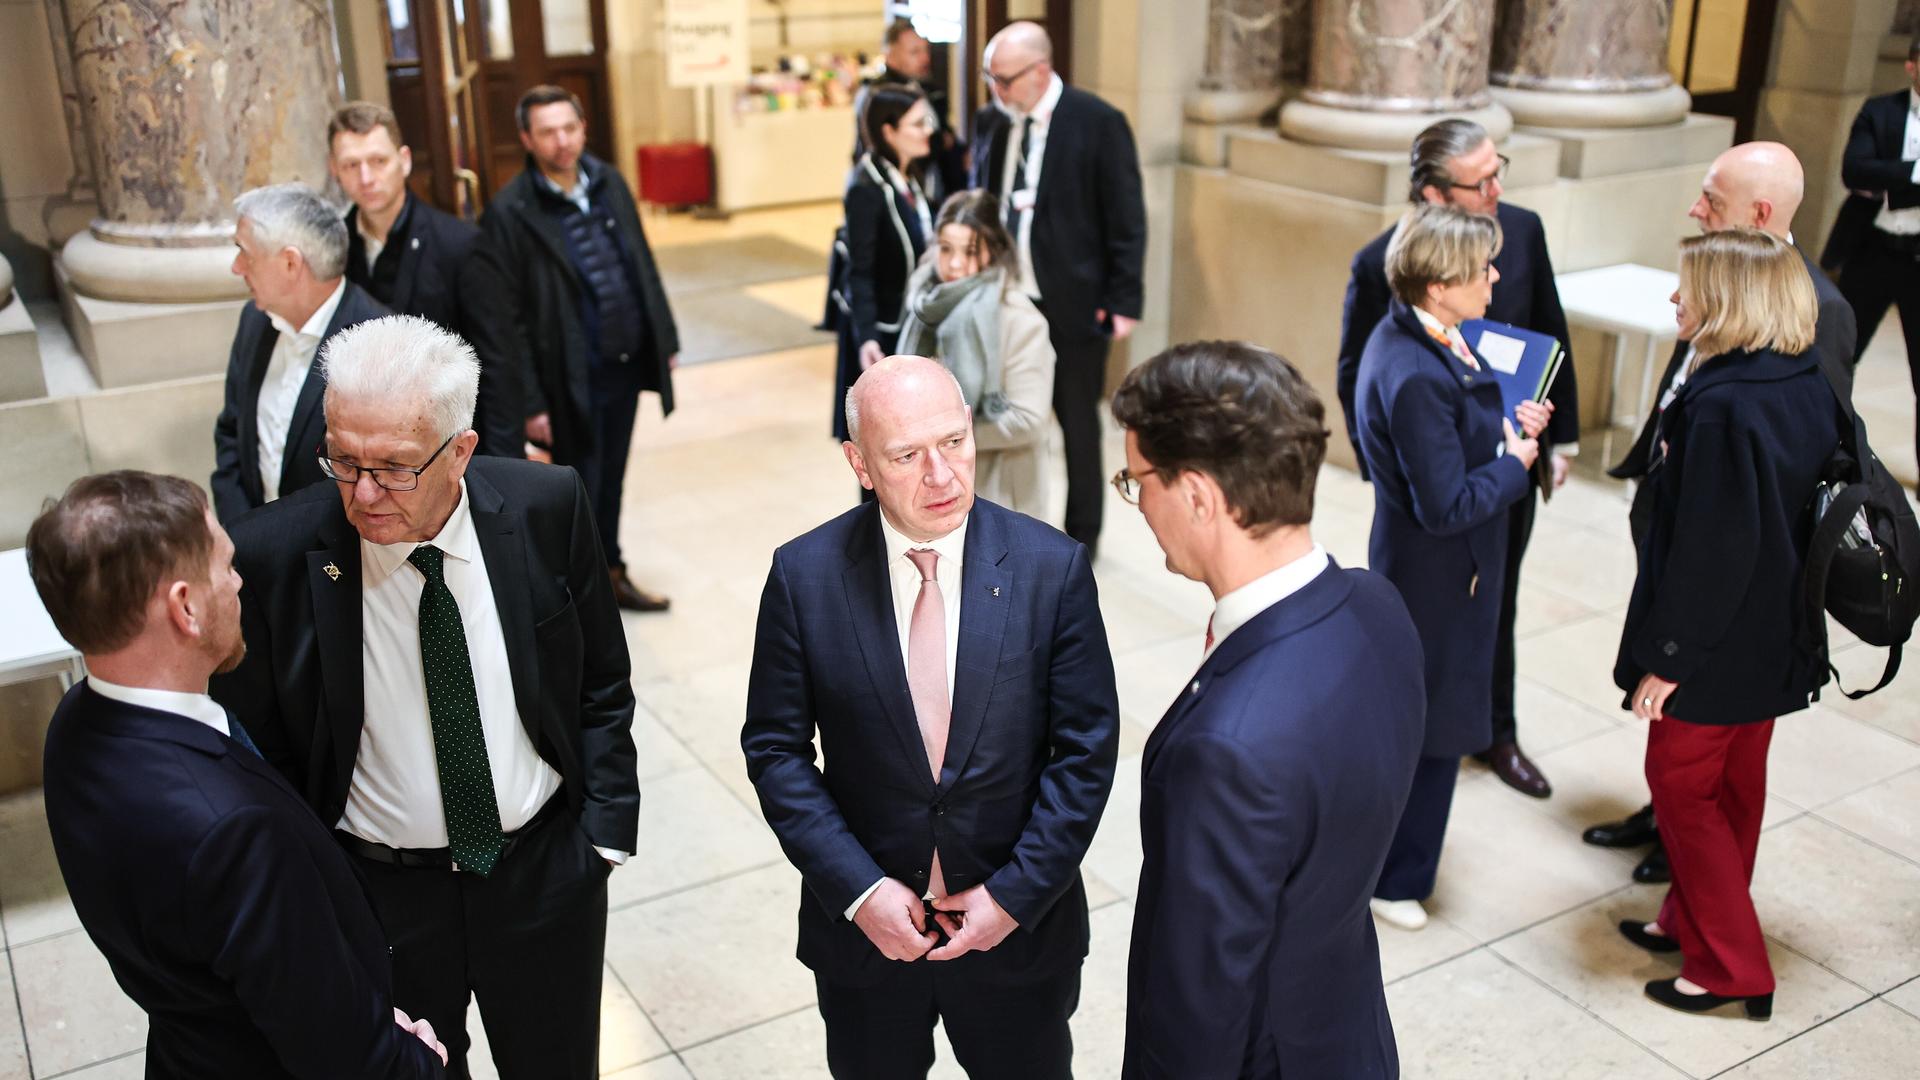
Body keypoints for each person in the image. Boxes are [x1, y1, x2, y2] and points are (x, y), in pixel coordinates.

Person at [210, 316, 638, 1080]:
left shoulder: (547, 506)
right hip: (380, 898)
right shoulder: (274, 556)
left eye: (395, 467)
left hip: (542, 876)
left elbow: (602, 680)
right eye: (342, 459)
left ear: (461, 451)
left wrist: (601, 837)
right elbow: (258, 755)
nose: (363, 493)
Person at [742, 355, 1119, 1078]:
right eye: (907, 455)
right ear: (859, 463)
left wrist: (1012, 895)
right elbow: (776, 751)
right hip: (867, 943)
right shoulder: (804, 576)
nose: (941, 475)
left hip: (1019, 934)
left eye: (953, 441)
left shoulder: (1051, 568)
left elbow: (1085, 752)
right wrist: (859, 890)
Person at [28, 471, 448, 1079]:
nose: (239, 582)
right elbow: (342, 1057)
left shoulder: (73, 723)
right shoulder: (234, 830)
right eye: (225, 566)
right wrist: (414, 1060)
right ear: (186, 607)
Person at [1111, 342, 1424, 1078]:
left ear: (1198, 496)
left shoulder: (1228, 749)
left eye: (1137, 481)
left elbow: (1200, 1002)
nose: (1139, 503)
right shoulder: (1380, 607)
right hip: (1347, 1033)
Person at [1589, 141, 1859, 887]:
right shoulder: (1716, 280)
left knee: (1711, 746)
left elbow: (1800, 451)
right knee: (1689, 744)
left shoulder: (1819, 309)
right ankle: (1666, 823)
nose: (1695, 209)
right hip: (1690, 511)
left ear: (1760, 214)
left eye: (1712, 199)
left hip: (1739, 564)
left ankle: (1688, 857)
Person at [1614, 229, 1838, 1020]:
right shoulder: (1807, 380)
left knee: (1682, 794)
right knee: (1736, 791)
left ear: (1731, 302)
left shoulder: (1722, 406)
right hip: (1777, 636)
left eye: (1690, 288)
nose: (1677, 300)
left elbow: (1714, 552)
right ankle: (1689, 922)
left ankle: (1731, 967)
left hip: (1714, 649)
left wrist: (1669, 659)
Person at [1337, 118, 1578, 799]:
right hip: (1443, 477)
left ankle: (1495, 731)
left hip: (1505, 453)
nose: (1498, 189)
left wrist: (1554, 442)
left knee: (1495, 602)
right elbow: (1359, 370)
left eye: (1499, 170)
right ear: (1436, 194)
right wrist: (1388, 471)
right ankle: (1432, 744)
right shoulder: (1383, 260)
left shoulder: (1522, 230)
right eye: (1482, 182)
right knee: (1436, 622)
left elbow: (1550, 333)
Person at [1353, 204, 1552, 932]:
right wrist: (1516, 464)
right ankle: (1396, 881)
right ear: (1439, 284)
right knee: (1431, 732)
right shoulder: (1412, 371)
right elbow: (1445, 503)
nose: (1495, 278)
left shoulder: (1428, 334)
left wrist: (1505, 429)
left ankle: (1395, 868)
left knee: (1433, 720)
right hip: (1436, 574)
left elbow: (1449, 440)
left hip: (1440, 567)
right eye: (1482, 269)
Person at [478, 84, 679, 612]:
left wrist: (664, 338)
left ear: (584, 127)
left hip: (623, 362)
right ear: (526, 138)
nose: (562, 141)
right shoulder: (511, 211)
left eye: (569, 128)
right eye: (547, 132)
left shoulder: (608, 180)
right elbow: (506, 317)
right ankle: (578, 597)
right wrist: (529, 403)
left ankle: (610, 573)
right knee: (577, 490)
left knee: (611, 479)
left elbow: (641, 264)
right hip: (567, 377)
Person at [971, 20, 1146, 556]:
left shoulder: (1097, 123)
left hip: (1072, 298)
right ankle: (1003, 524)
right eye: (990, 80)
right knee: (1006, 414)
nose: (996, 91)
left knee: (1076, 422)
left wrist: (1123, 299)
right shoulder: (994, 123)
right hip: (1005, 297)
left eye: (1004, 80)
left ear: (1041, 70)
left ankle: (1082, 537)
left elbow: (1126, 218)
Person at [328, 101, 525, 459]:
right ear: (335, 171)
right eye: (351, 165)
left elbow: (498, 364)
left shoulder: (460, 245)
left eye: (378, 161)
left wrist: (502, 469)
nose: (367, 178)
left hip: (446, 446)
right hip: (369, 454)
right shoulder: (333, 251)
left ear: (403, 160)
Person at [212, 182, 388, 525]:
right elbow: (231, 434)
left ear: (291, 264)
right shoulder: (254, 320)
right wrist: (245, 534)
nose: (236, 267)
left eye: (244, 252)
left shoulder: (377, 341)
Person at [897, 190, 1056, 516]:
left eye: (969, 251)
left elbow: (1028, 421)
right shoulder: (925, 302)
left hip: (998, 492)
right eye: (945, 249)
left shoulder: (1019, 320)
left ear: (993, 251)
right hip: (932, 484)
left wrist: (940, 441)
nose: (955, 264)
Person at [1832, 38, 1920, 485]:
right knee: (1837, 353)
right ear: (1911, 66)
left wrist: (1892, 179)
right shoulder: (1880, 111)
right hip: (1872, 252)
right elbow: (1855, 172)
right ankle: (1829, 449)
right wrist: (1914, 175)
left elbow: (1874, 175)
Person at [832, 84, 934, 453]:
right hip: (884, 332)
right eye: (918, 123)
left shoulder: (908, 175)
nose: (928, 130)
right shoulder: (867, 186)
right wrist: (869, 336)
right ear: (889, 131)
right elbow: (859, 270)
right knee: (883, 445)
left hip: (908, 323)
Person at [854, 20, 967, 201]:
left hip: (935, 187)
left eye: (926, 50)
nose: (925, 58)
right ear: (890, 55)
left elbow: (945, 134)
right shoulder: (877, 95)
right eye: (914, 52)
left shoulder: (930, 90)